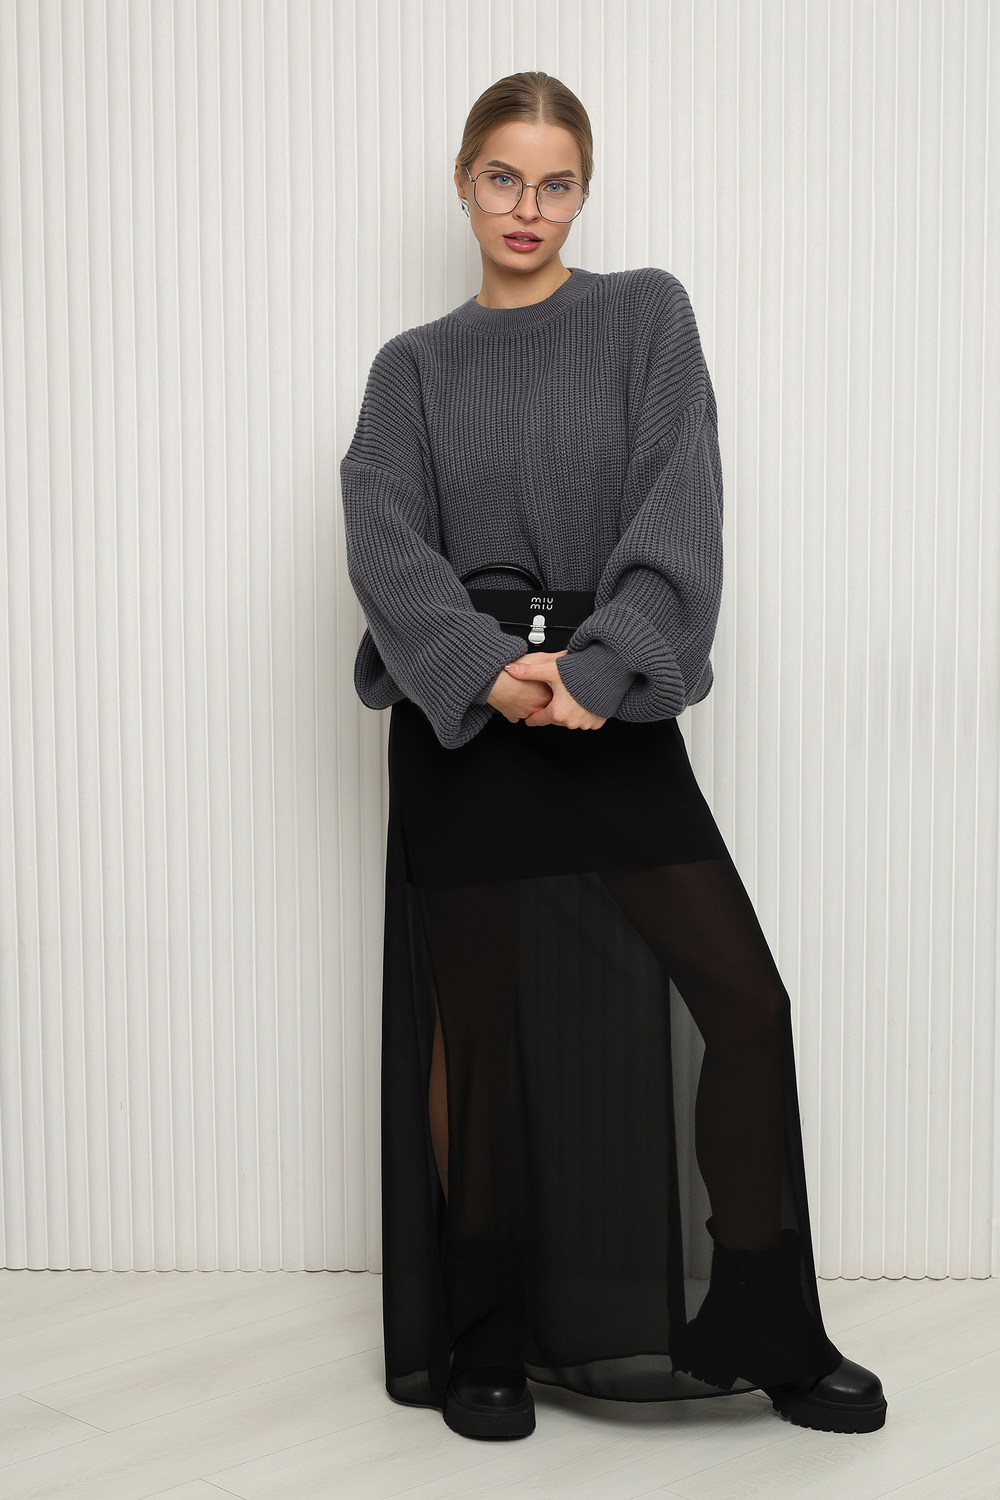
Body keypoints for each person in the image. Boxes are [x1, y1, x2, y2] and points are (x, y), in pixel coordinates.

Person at [339, 70, 887, 1443]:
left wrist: (597, 671)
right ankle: (484, 1336)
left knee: (745, 1003)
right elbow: (384, 537)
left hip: (607, 712)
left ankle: (756, 1315)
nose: (527, 207)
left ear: (584, 190)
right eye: (503, 178)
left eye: (556, 182)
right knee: (480, 1037)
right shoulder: (412, 368)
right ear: (462, 182)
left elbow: (680, 497)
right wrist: (487, 672)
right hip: (466, 726)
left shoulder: (646, 314)